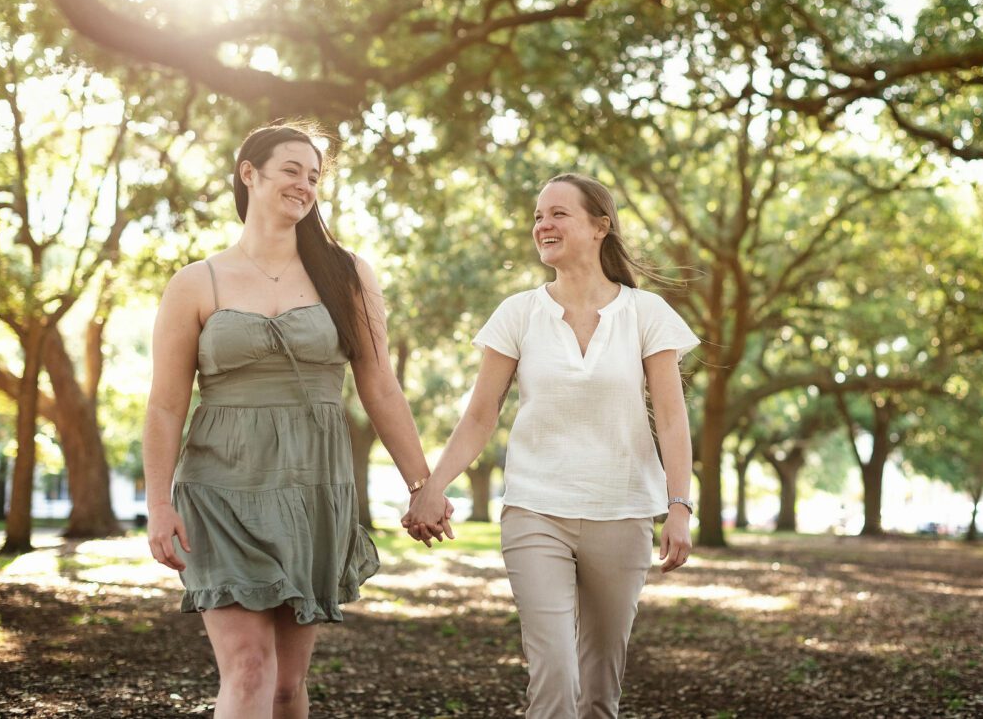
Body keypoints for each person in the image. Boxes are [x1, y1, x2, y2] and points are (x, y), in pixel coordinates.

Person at [143, 123, 450, 719]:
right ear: (248, 173)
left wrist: (423, 484)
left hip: (312, 487)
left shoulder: (347, 273)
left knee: (287, 684)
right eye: (291, 170)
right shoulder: (195, 282)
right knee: (250, 670)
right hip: (220, 491)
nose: (304, 185)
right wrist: (159, 502)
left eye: (314, 177)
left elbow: (379, 385)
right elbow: (164, 404)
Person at [403, 172, 699, 719]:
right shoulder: (518, 313)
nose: (543, 224)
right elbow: (479, 415)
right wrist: (432, 487)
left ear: (599, 227)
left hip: (623, 512)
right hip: (536, 511)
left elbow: (674, 421)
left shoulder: (647, 314)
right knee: (554, 674)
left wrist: (678, 506)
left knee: (599, 691)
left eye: (558, 213)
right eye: (538, 215)